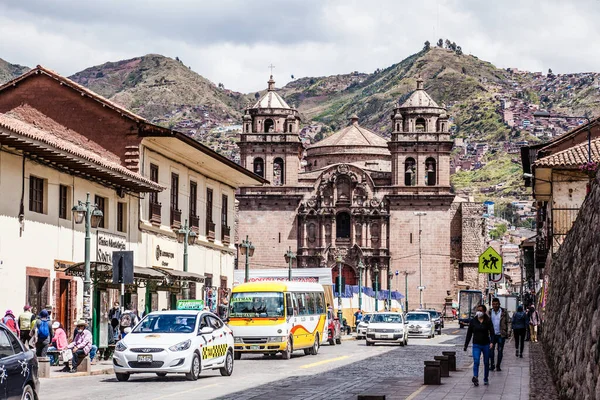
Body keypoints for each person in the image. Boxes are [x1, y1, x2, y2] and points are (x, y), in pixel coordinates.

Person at [464, 304, 494, 387]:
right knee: (476, 361)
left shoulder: (488, 321)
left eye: (481, 311)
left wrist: (492, 342)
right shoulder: (473, 321)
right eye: (478, 310)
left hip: (486, 344)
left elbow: (492, 332)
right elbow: (469, 333)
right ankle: (475, 377)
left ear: (484, 312)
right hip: (476, 344)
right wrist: (466, 345)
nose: (479, 312)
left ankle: (486, 378)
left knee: (486, 362)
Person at [489, 298, 509, 372]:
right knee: (491, 351)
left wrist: (508, 331)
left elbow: (508, 322)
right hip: (492, 335)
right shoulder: (490, 312)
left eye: (496, 304)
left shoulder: (504, 312)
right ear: (492, 304)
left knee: (500, 351)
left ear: (499, 304)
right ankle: (492, 365)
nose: (495, 305)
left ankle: (498, 366)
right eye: (494, 304)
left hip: (501, 334)